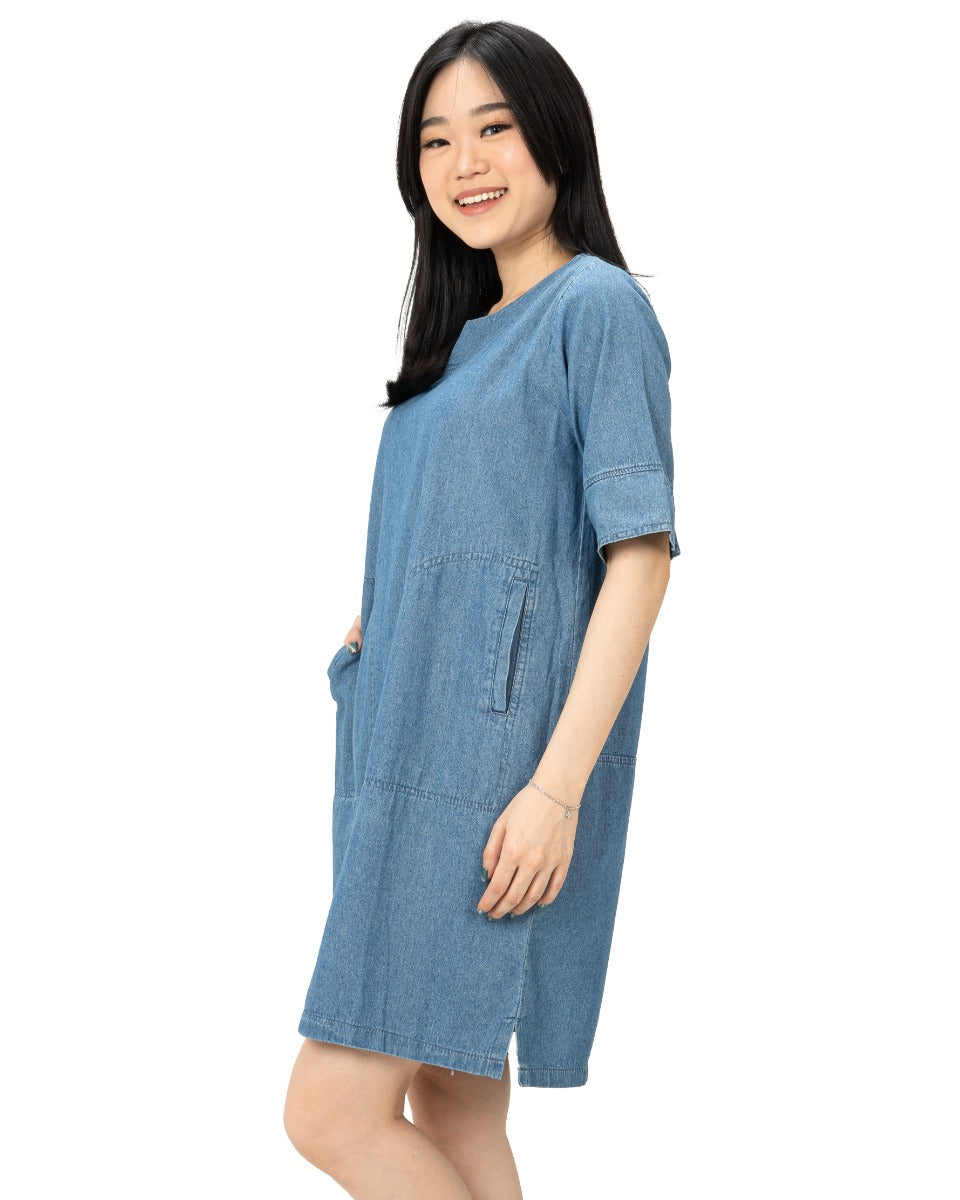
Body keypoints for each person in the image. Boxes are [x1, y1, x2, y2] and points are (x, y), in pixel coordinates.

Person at [283, 19, 682, 1198]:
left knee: (328, 1113)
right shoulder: (457, 347)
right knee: (450, 1107)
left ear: (555, 133)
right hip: (404, 757)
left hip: (494, 782)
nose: (465, 164)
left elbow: (640, 560)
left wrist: (554, 792)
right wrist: (383, 630)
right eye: (436, 140)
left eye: (494, 129)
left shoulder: (595, 309)